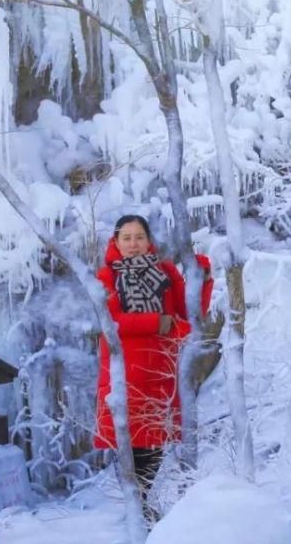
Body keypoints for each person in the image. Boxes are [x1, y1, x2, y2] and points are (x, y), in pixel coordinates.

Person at [93, 214, 213, 522]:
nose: (133, 244)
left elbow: (189, 311)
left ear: (149, 241)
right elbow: (111, 322)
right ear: (115, 242)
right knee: (129, 446)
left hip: (159, 369)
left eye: (139, 237)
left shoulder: (166, 272)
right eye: (127, 238)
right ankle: (138, 512)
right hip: (125, 371)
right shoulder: (105, 278)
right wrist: (156, 322)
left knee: (153, 444)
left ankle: (143, 511)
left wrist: (203, 278)